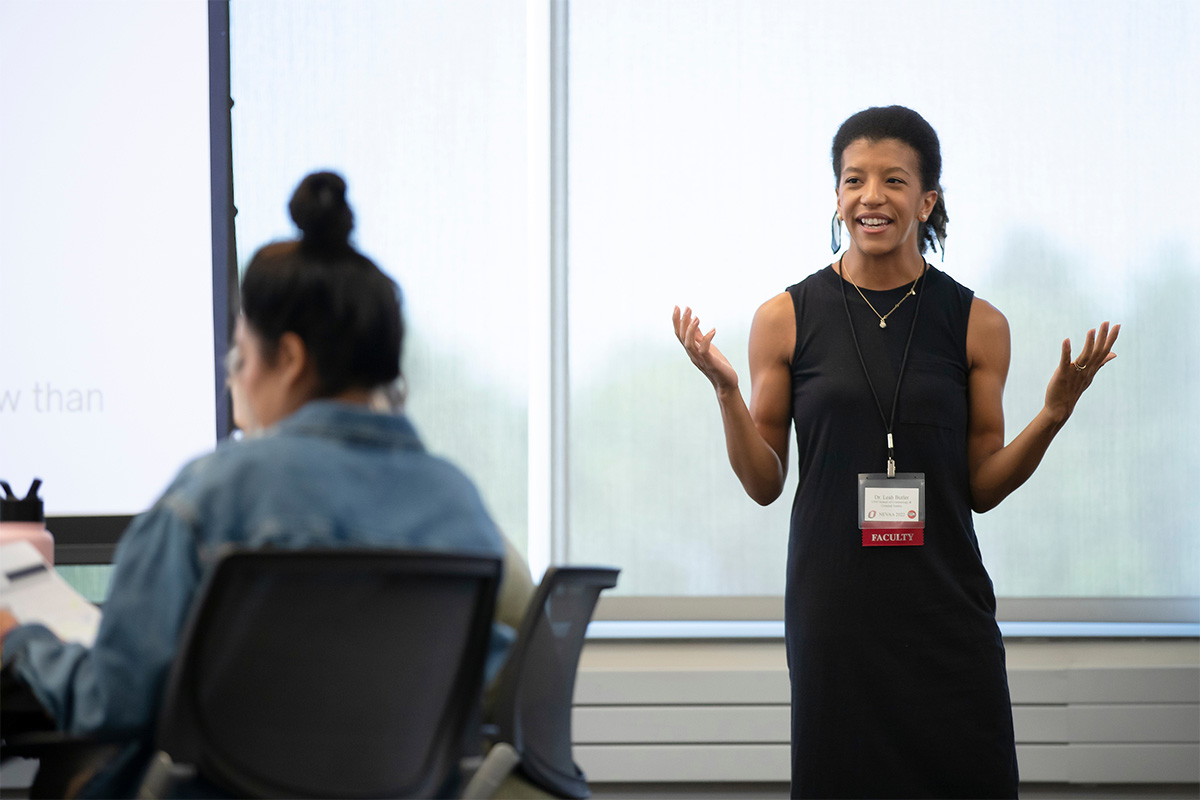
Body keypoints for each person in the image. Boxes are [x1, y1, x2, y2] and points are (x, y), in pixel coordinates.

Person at [0, 171, 520, 797]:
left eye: (240, 357)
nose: (233, 378)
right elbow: (470, 697)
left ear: (291, 359)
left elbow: (110, 702)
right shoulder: (457, 504)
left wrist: (22, 640)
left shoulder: (212, 496)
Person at [672, 105, 1119, 799]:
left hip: (943, 612)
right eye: (853, 180)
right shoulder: (784, 318)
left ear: (927, 199)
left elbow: (982, 485)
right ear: (837, 197)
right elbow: (764, 483)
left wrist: (1053, 415)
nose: (870, 197)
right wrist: (728, 394)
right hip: (836, 616)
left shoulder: (978, 323)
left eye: (892, 180)